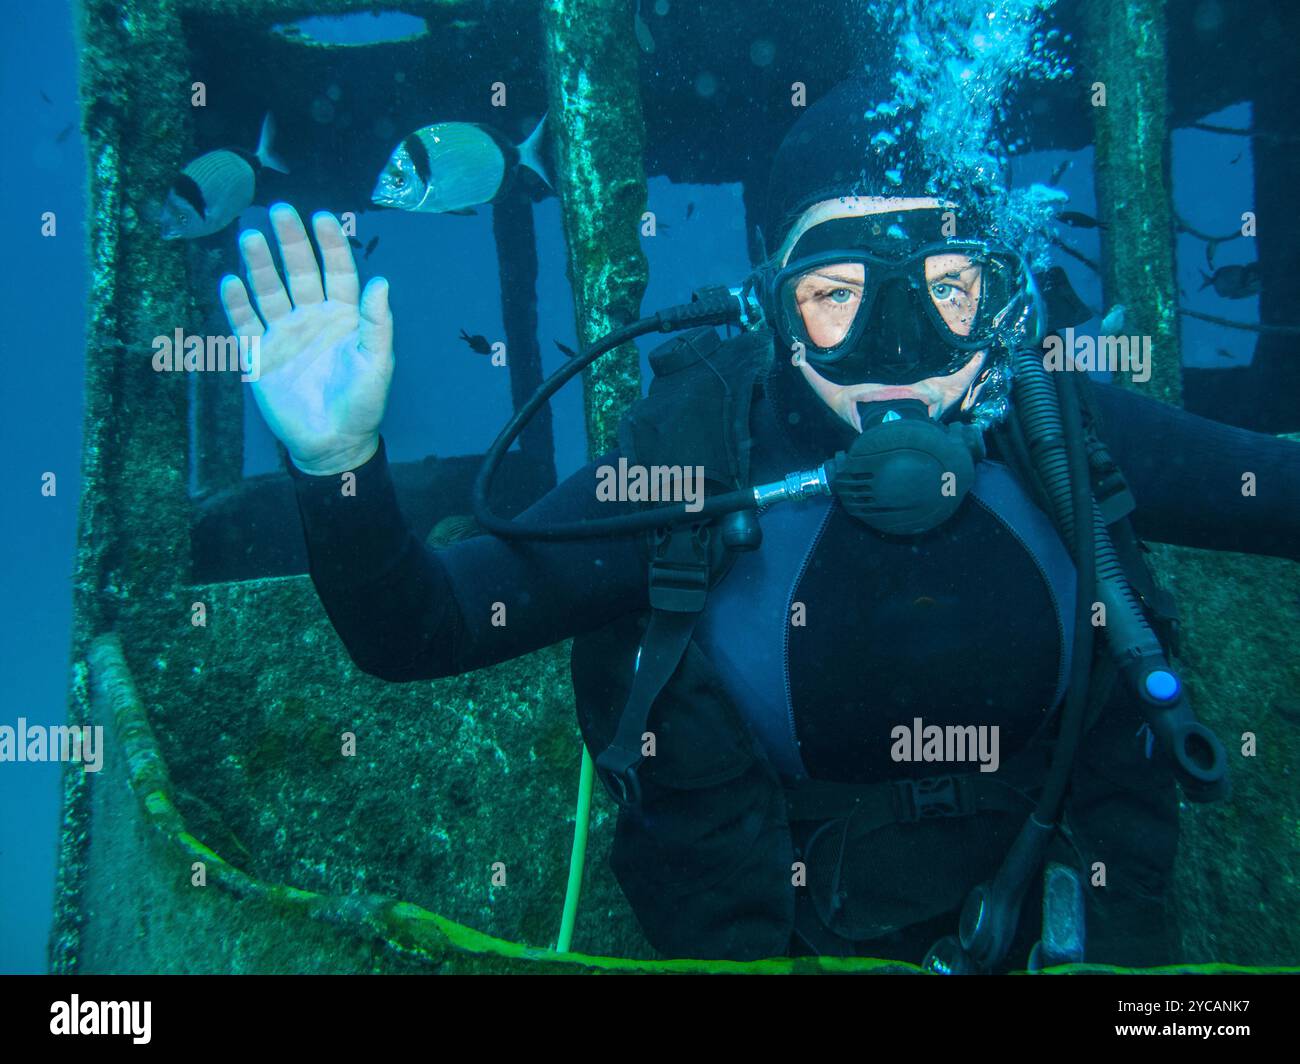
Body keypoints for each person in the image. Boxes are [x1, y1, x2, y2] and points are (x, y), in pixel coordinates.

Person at [219, 80, 1300, 970]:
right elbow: (423, 626)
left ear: (1003, 298)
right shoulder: (695, 464)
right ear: (773, 314)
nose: (897, 348)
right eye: (836, 297)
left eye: (947, 289)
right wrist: (336, 466)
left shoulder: (1061, 429)